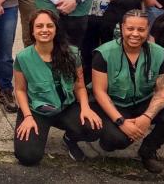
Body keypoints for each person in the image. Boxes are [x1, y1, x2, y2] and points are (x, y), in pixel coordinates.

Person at [91, 10, 164, 174]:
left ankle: (148, 150)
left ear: (147, 29)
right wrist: (121, 122)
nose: (135, 34)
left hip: (144, 101)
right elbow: (99, 92)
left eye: (141, 30)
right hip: (116, 104)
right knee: (114, 141)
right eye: (130, 29)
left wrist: (147, 117)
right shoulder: (104, 54)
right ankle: (113, 136)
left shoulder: (158, 53)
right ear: (122, 28)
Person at [13, 9, 102, 166]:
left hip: (65, 107)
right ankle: (38, 132)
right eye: (39, 26)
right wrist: (27, 116)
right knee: (28, 156)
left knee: (94, 128)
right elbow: (20, 90)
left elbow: (80, 86)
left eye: (49, 26)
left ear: (56, 29)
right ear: (32, 31)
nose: (45, 30)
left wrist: (86, 108)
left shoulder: (72, 53)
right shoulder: (23, 57)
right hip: (37, 110)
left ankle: (69, 138)